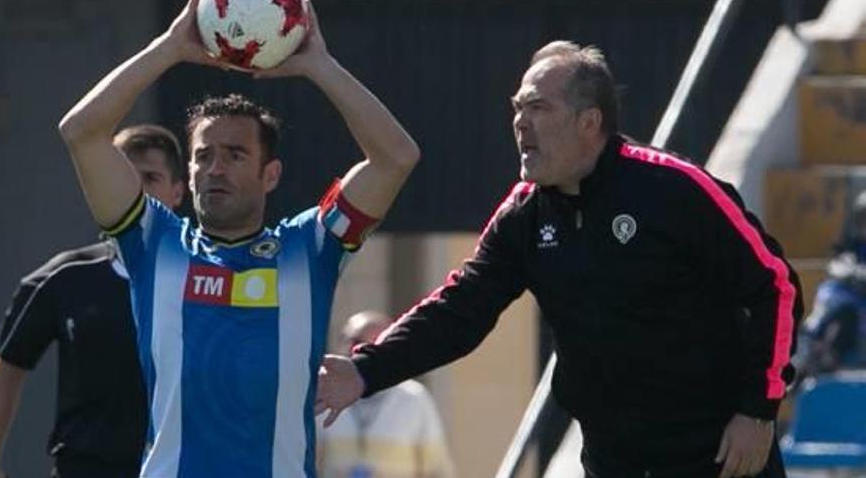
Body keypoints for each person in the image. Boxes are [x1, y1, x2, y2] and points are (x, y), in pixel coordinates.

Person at [316, 41, 803, 478]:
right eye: (517, 108)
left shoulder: (675, 188)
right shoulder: (523, 215)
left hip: (718, 454)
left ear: (589, 122)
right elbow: (459, 309)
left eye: (538, 107)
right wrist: (367, 370)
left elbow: (775, 287)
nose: (519, 122)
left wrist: (757, 410)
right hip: (615, 460)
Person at [56, 0, 419, 476]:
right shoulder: (153, 240)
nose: (215, 169)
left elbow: (396, 157)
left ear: (271, 175)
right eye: (203, 156)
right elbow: (81, 132)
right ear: (188, 175)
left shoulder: (311, 244)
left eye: (235, 154)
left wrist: (319, 65)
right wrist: (169, 48)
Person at [0, 125, 186, 478]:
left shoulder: (207, 276)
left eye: (150, 177)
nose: (135, 189)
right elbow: (11, 360)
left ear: (177, 192)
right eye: (122, 174)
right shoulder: (65, 276)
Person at [317, 311, 454, 478]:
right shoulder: (324, 396)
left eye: (369, 343)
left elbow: (435, 468)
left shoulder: (414, 398)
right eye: (352, 341)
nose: (355, 350)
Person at [795, 191, 866, 381]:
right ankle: (816, 354)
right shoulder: (849, 247)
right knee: (836, 306)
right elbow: (837, 266)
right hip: (850, 302)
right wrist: (852, 273)